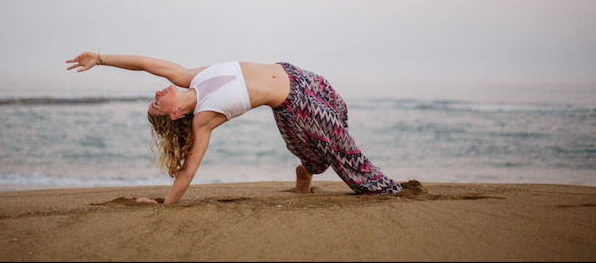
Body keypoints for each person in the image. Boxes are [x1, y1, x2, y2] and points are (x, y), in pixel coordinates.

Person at [66, 53, 403, 205]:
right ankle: (379, 187)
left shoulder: (188, 77)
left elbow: (144, 64)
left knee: (341, 112)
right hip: (296, 107)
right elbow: (189, 170)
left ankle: (307, 167)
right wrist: (165, 205)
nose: (157, 94)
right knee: (346, 153)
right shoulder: (204, 118)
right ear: (173, 115)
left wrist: (100, 58)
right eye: (156, 104)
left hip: (298, 75)